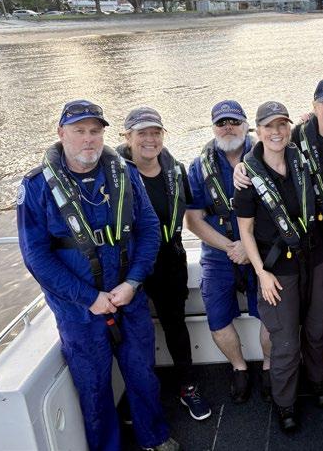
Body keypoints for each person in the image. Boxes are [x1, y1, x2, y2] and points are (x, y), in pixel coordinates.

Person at [17, 100, 178, 451]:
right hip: (79, 311)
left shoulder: (125, 173)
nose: (88, 139)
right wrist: (89, 298)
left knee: (142, 374)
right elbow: (36, 257)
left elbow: (149, 229)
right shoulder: (36, 186)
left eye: (95, 131)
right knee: (93, 387)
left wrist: (133, 282)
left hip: (128, 298)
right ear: (61, 133)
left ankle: (154, 437)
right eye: (79, 131)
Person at [235, 78, 323, 394]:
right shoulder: (298, 134)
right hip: (319, 230)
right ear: (314, 106)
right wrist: (241, 167)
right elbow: (266, 147)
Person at [236, 101, 323, 432]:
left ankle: (319, 382)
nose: (276, 132)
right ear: (258, 131)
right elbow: (245, 231)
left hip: (316, 259)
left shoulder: (302, 160)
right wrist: (261, 273)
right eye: (269, 126)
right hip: (278, 270)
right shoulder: (247, 176)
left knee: (318, 329)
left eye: (282, 125)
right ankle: (285, 403)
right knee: (286, 342)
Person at [116, 106, 211, 420]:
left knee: (175, 326)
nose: (150, 139)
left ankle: (187, 386)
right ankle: (140, 395)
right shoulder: (113, 174)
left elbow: (193, 212)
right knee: (134, 334)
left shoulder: (176, 170)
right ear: (127, 137)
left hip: (169, 261)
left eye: (155, 132)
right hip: (129, 266)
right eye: (142, 133)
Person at [185, 100, 271, 404]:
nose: (228, 128)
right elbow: (193, 220)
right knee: (217, 316)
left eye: (234, 122)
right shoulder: (198, 167)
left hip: (261, 250)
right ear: (213, 128)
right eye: (221, 123)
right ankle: (239, 367)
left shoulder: (266, 155)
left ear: (246, 125)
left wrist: (249, 247)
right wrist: (231, 247)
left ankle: (269, 367)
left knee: (273, 313)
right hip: (218, 254)